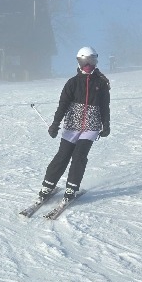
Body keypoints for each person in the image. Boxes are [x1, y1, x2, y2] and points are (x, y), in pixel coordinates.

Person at [39, 46, 111, 203]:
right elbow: (63, 105)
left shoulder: (101, 83)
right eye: (85, 61)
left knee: (79, 156)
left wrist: (106, 125)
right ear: (79, 62)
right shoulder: (72, 83)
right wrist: (55, 124)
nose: (88, 65)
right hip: (72, 126)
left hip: (91, 127)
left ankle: (71, 188)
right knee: (63, 155)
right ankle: (47, 186)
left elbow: (105, 106)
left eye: (92, 61)